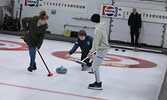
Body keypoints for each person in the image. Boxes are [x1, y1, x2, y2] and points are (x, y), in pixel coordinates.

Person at [87, 14, 109, 90]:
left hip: (102, 50)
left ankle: (98, 83)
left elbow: (95, 43)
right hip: (102, 49)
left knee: (95, 66)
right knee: (94, 65)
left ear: (93, 21)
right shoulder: (101, 27)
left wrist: (90, 52)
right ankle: (97, 82)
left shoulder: (98, 30)